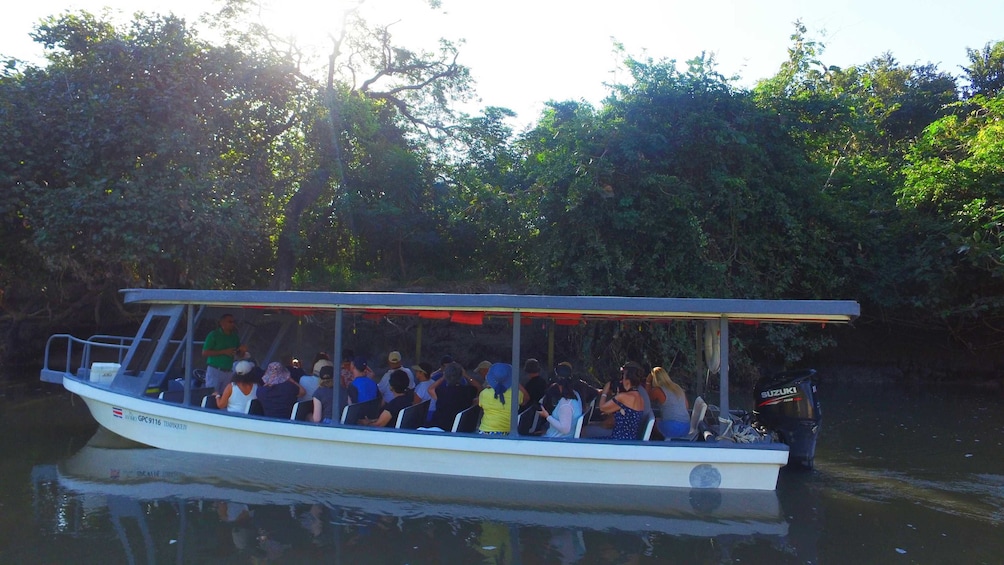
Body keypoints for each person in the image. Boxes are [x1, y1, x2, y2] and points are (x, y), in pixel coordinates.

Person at [598, 362, 646, 440]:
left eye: (623, 377)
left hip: (618, 440)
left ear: (627, 380)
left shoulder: (623, 397)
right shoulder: (640, 398)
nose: (621, 381)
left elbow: (602, 408)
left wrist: (605, 391)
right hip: (630, 440)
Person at [477, 363, 528, 435]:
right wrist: (514, 382)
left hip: (486, 432)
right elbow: (526, 400)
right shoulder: (516, 394)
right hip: (508, 432)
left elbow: (480, 404)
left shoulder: (484, 393)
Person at [428, 361, 480, 430]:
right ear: (461, 376)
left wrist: (443, 377)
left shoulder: (441, 391)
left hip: (440, 426)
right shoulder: (469, 390)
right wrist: (466, 375)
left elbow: (430, 389)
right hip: (460, 427)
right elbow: (479, 387)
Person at [201, 313, 245, 395]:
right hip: (215, 370)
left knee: (225, 396)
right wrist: (224, 352)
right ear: (222, 323)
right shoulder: (214, 335)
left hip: (228, 371)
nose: (232, 324)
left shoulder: (234, 336)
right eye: (230, 322)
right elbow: (205, 352)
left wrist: (242, 351)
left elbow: (239, 355)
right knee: (212, 395)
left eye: (233, 322)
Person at [649, 366, 691, 438]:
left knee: (651, 423)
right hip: (686, 427)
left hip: (672, 428)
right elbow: (686, 406)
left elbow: (647, 398)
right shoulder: (677, 387)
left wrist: (647, 382)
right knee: (659, 420)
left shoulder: (658, 390)